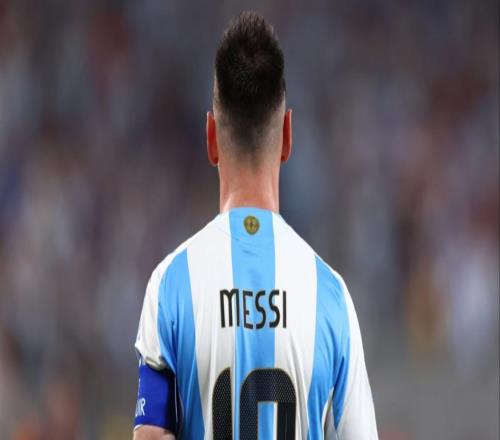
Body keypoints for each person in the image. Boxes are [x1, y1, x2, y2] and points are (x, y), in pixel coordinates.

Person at [133, 11, 377, 440]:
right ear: (287, 136)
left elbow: (151, 435)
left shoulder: (170, 286)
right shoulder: (330, 297)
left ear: (211, 137)